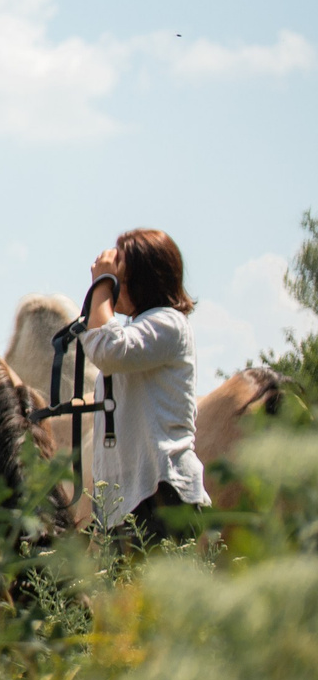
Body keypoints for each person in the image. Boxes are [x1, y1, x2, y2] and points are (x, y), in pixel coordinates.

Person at [81, 228, 208, 544]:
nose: (115, 286)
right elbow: (105, 343)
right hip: (130, 503)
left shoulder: (169, 323)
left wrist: (101, 284)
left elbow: (107, 349)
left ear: (143, 279)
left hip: (162, 494)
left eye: (120, 277)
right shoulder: (140, 330)